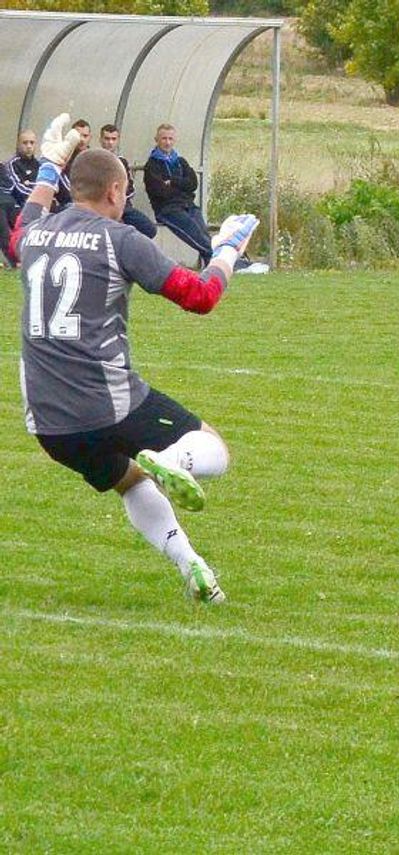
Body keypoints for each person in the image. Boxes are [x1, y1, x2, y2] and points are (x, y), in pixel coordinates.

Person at [12, 113, 259, 604]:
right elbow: (201, 296)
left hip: (49, 423)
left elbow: (24, 224)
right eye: (124, 194)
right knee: (213, 449)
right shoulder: (120, 238)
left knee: (130, 480)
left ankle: (194, 570)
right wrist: (228, 248)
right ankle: (174, 459)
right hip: (108, 401)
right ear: (114, 192)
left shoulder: (32, 237)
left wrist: (49, 166)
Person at [144, 122, 212, 268]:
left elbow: (193, 184)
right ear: (157, 140)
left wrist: (172, 181)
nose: (167, 142)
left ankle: (211, 260)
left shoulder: (180, 161)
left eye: (170, 139)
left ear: (174, 140)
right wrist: (181, 186)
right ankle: (215, 258)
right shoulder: (152, 165)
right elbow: (159, 192)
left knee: (202, 231)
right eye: (164, 139)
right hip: (167, 209)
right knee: (193, 231)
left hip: (188, 205)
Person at [99, 123, 157, 238]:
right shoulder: (94, 160)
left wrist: (120, 202)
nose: (110, 142)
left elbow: (130, 188)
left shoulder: (122, 162)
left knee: (149, 229)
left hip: (123, 206)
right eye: (107, 139)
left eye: (113, 139)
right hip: (103, 207)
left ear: (118, 140)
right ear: (100, 140)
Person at [1, 130, 40, 264]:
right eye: (25, 143)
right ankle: (16, 260)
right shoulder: (12, 164)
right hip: (18, 207)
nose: (29, 146)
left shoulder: (39, 164)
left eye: (32, 143)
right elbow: (18, 188)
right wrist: (38, 192)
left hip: (36, 206)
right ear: (18, 144)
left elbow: (49, 187)